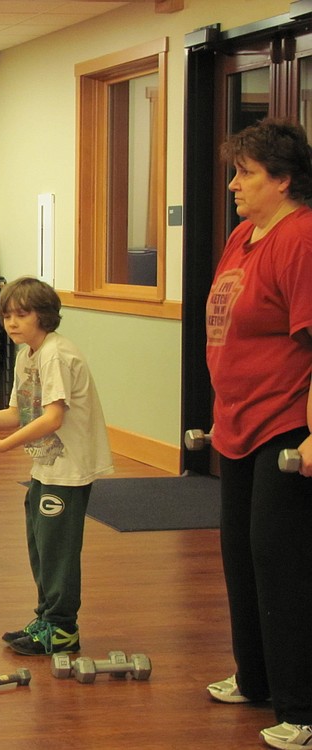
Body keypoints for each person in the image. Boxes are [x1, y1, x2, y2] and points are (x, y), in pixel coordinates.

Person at [204, 117, 312, 750]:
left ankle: (302, 708)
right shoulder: (245, 235)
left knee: (284, 565)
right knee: (240, 556)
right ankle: (256, 678)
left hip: (286, 424)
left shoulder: (301, 237)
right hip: (235, 422)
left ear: (283, 179)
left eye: (245, 173)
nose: (233, 184)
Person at [0, 276, 112, 656]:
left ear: (44, 316)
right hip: (46, 467)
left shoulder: (56, 354)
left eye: (21, 314)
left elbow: (52, 418)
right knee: (41, 544)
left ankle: (62, 628)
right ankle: (46, 617)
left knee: (58, 548)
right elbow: (19, 413)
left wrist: (3, 447)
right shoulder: (28, 355)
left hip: (68, 470)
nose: (11, 323)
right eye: (7, 315)